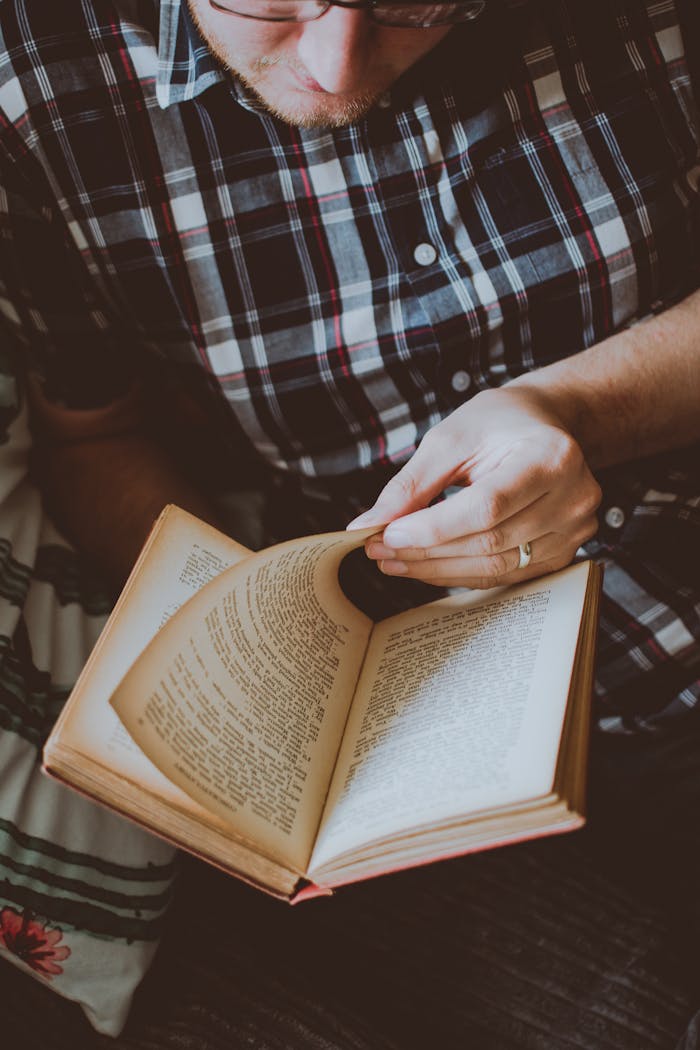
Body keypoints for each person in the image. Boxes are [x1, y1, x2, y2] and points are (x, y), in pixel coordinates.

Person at [0, 0, 699, 1041]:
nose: (334, 65)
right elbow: (95, 436)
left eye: (415, 5)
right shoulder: (38, 74)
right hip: (418, 722)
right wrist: (243, 631)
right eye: (271, 0)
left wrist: (577, 411)